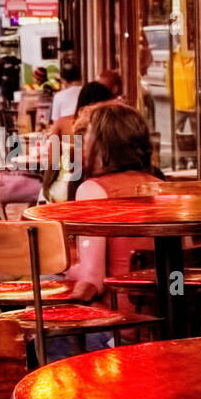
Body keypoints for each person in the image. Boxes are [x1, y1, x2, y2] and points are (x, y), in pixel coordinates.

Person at [64, 102, 161, 305]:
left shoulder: (94, 191)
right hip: (171, 321)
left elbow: (93, 280)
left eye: (88, 134)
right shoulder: (164, 189)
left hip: (118, 325)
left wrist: (61, 265)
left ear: (101, 145)